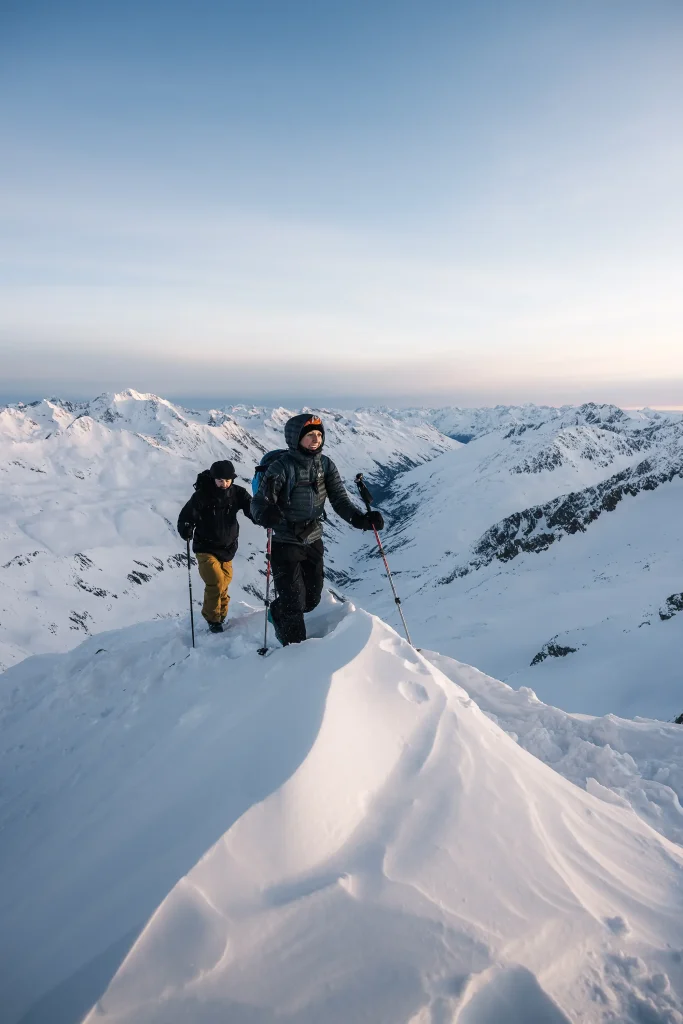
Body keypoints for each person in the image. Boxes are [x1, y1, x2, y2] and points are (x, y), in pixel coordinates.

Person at [250, 413, 383, 646]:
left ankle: (277, 610)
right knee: (294, 602)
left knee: (310, 599)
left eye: (319, 434)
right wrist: (265, 514)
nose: (316, 439)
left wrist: (361, 520)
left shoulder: (325, 464)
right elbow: (259, 502)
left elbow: (339, 500)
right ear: (295, 438)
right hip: (285, 540)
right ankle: (295, 653)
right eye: (310, 434)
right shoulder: (282, 467)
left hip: (313, 538)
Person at [177, 460, 253, 633]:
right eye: (220, 480)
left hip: (227, 548)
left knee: (224, 582)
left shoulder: (237, 493)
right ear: (213, 479)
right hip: (205, 547)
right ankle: (212, 619)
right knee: (216, 582)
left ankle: (221, 616)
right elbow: (187, 515)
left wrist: (262, 517)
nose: (224, 483)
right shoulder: (202, 495)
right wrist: (186, 527)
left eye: (227, 480)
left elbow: (251, 508)